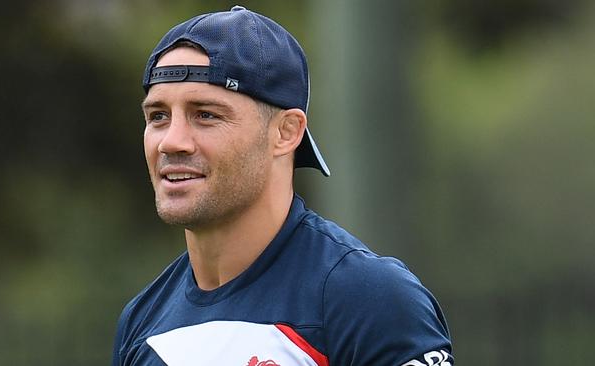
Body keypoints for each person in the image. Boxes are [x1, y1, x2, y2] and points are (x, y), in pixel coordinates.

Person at [112, 6, 453, 366]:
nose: (171, 142)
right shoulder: (142, 322)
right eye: (158, 117)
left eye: (206, 115)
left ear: (286, 132)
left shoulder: (368, 299)